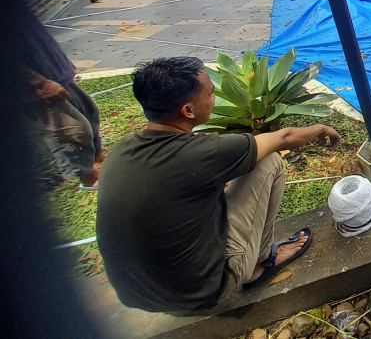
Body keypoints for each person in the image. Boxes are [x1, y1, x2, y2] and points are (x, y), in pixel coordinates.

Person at [96, 57, 340, 312]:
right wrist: (322, 126)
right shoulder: (202, 153)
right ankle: (258, 264)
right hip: (205, 294)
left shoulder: (121, 149)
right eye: (210, 94)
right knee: (269, 162)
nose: (214, 98)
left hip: (139, 296)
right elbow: (283, 138)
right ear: (188, 111)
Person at [20, 7, 101, 188]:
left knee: (89, 111)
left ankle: (95, 159)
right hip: (34, 86)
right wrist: (39, 83)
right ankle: (87, 176)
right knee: (71, 129)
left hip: (53, 71)